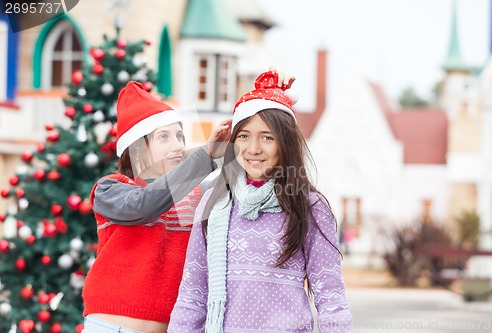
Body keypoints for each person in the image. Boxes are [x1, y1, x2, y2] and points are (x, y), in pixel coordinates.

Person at [168, 71, 353, 332]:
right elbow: (193, 294)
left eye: (267, 137)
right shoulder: (215, 203)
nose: (253, 148)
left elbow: (331, 298)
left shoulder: (309, 207)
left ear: (285, 143)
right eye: (243, 136)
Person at [81, 81, 232, 333]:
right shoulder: (109, 189)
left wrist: (262, 116)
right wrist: (205, 155)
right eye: (164, 137)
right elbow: (145, 205)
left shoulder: (195, 193)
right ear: (137, 149)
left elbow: (238, 177)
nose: (177, 145)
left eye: (180, 136)